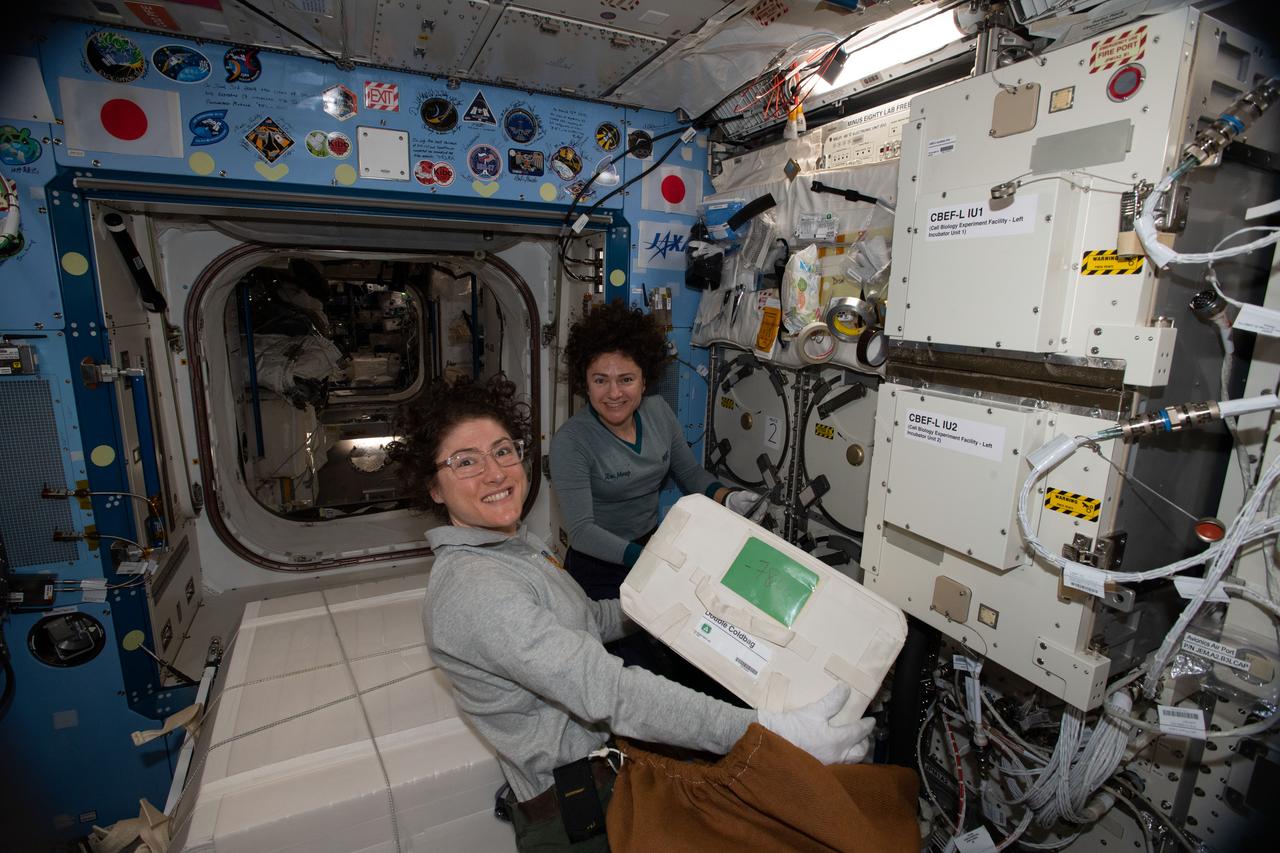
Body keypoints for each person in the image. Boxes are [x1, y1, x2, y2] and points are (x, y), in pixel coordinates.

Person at [389, 376, 874, 852]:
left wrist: (670, 600)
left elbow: (588, 622)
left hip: (606, 766)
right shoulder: (479, 589)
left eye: (501, 450)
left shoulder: (509, 549)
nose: (495, 473)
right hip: (583, 811)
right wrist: (771, 734)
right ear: (433, 487)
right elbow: (610, 690)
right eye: (465, 462)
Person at [551, 302, 763, 604]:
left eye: (626, 379)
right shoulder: (571, 441)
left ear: (644, 380)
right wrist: (650, 557)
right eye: (601, 380)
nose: (614, 393)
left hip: (651, 544)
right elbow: (582, 532)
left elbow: (689, 473)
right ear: (585, 383)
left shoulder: (658, 412)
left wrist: (727, 497)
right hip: (598, 563)